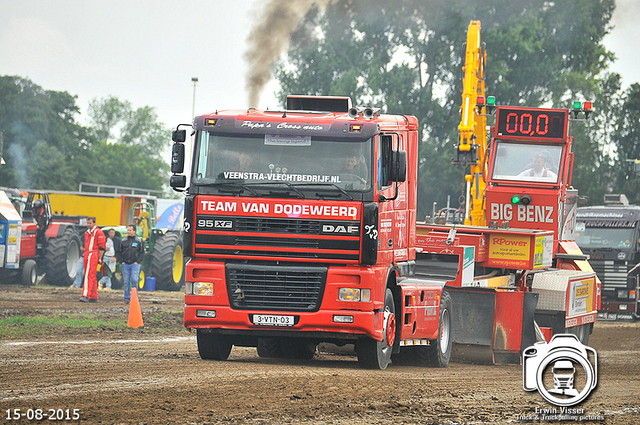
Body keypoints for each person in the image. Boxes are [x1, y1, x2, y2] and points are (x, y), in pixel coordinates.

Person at [80, 217, 106, 303]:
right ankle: (93, 295)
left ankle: (86, 294)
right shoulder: (87, 233)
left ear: (94, 223)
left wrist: (99, 258)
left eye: (90, 223)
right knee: (92, 275)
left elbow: (102, 246)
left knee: (89, 275)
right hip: (88, 253)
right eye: (87, 223)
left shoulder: (99, 232)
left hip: (93, 254)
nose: (88, 225)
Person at [117, 224, 145, 304]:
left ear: (134, 231)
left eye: (130, 230)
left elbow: (142, 253)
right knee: (126, 281)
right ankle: (126, 298)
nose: (128, 232)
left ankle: (134, 297)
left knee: (134, 280)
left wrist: (138, 261)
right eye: (128, 230)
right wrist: (121, 261)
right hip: (125, 264)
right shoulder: (123, 241)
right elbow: (119, 252)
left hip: (134, 264)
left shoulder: (138, 241)